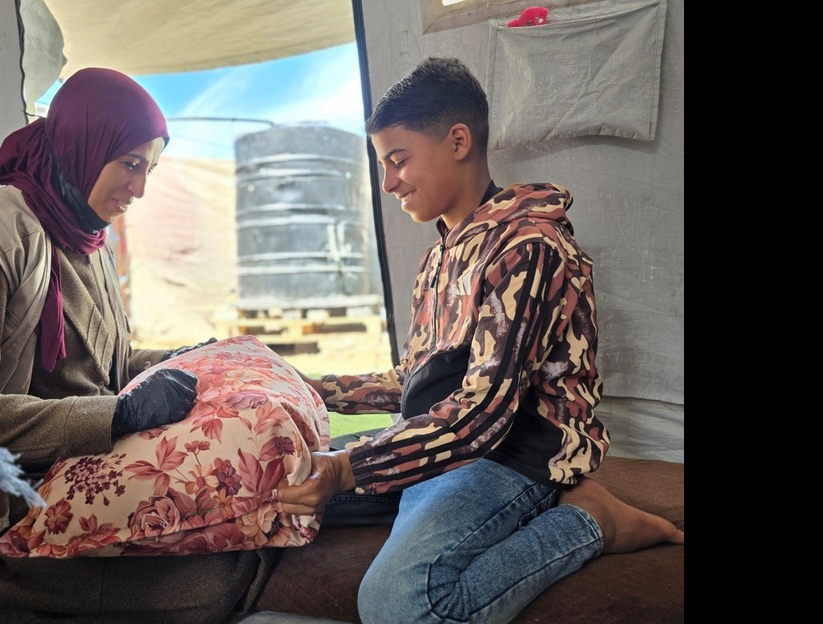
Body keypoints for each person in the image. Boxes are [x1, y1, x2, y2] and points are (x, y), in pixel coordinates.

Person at [276, 57, 684, 623]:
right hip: (443, 444)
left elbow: (483, 414)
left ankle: (588, 522)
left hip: (514, 451)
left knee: (398, 604)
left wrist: (351, 468)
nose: (389, 181)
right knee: (271, 481)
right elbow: (414, 380)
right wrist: (304, 388)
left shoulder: (527, 249)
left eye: (398, 160)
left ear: (459, 141)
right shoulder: (440, 256)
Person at [0, 67, 261, 624]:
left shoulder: (88, 239)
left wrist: (179, 362)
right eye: (131, 164)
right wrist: (116, 414)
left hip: (73, 467)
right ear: (84, 145)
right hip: (0, 492)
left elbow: (106, 366)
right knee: (201, 588)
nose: (140, 188)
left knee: (233, 537)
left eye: (150, 169)